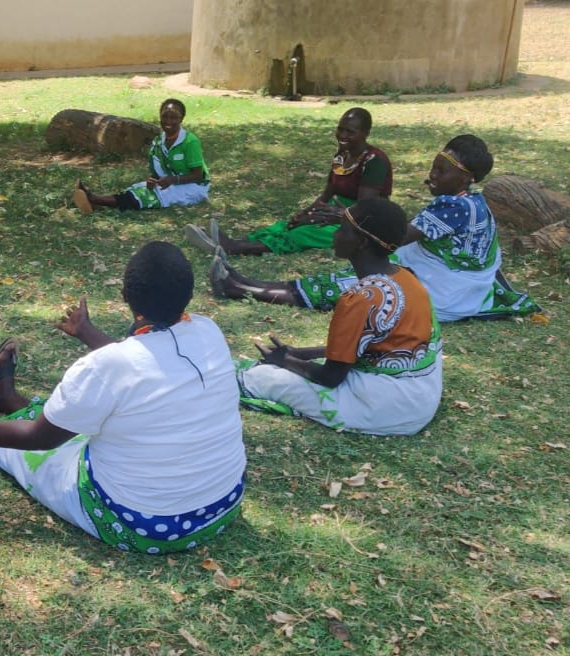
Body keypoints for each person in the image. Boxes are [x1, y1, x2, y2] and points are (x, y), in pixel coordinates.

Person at [0, 242, 246, 554]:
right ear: (188, 293)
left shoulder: (105, 368)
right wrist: (89, 333)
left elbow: (36, 439)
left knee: (40, 450)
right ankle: (3, 398)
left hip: (141, 524)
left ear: (126, 295)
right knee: (96, 414)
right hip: (221, 509)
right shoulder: (208, 331)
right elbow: (148, 373)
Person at [210, 135, 539, 321]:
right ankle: (246, 283)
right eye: (434, 168)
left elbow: (393, 239)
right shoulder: (473, 202)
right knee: (355, 277)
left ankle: (240, 287)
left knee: (350, 283)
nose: (433, 176)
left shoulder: (453, 205)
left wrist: (344, 219)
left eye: (441, 172)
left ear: (466, 178)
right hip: (460, 287)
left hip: (444, 292)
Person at [223, 198, 443, 435]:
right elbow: (373, 348)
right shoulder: (407, 278)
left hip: (385, 408)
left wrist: (285, 361)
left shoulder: (361, 298)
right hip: (422, 396)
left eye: (343, 229)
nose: (335, 235)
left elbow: (331, 377)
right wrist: (300, 353)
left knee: (260, 378)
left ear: (361, 242)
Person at [187, 107, 391, 256]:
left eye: (350, 132)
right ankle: (232, 242)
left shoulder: (374, 161)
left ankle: (236, 249)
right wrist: (306, 213)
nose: (342, 135)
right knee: (286, 225)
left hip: (362, 222)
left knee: (305, 233)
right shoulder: (342, 156)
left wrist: (327, 217)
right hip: (333, 211)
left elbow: (365, 209)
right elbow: (327, 194)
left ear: (365, 133)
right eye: (340, 129)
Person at [72, 99, 210, 214]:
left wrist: (172, 179)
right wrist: (152, 180)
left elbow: (198, 176)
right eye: (165, 116)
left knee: (147, 196)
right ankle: (98, 205)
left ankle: (93, 198)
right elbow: (156, 173)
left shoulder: (190, 141)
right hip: (170, 183)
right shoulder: (158, 142)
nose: (168, 121)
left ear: (181, 119)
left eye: (174, 117)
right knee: (137, 188)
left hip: (193, 187)